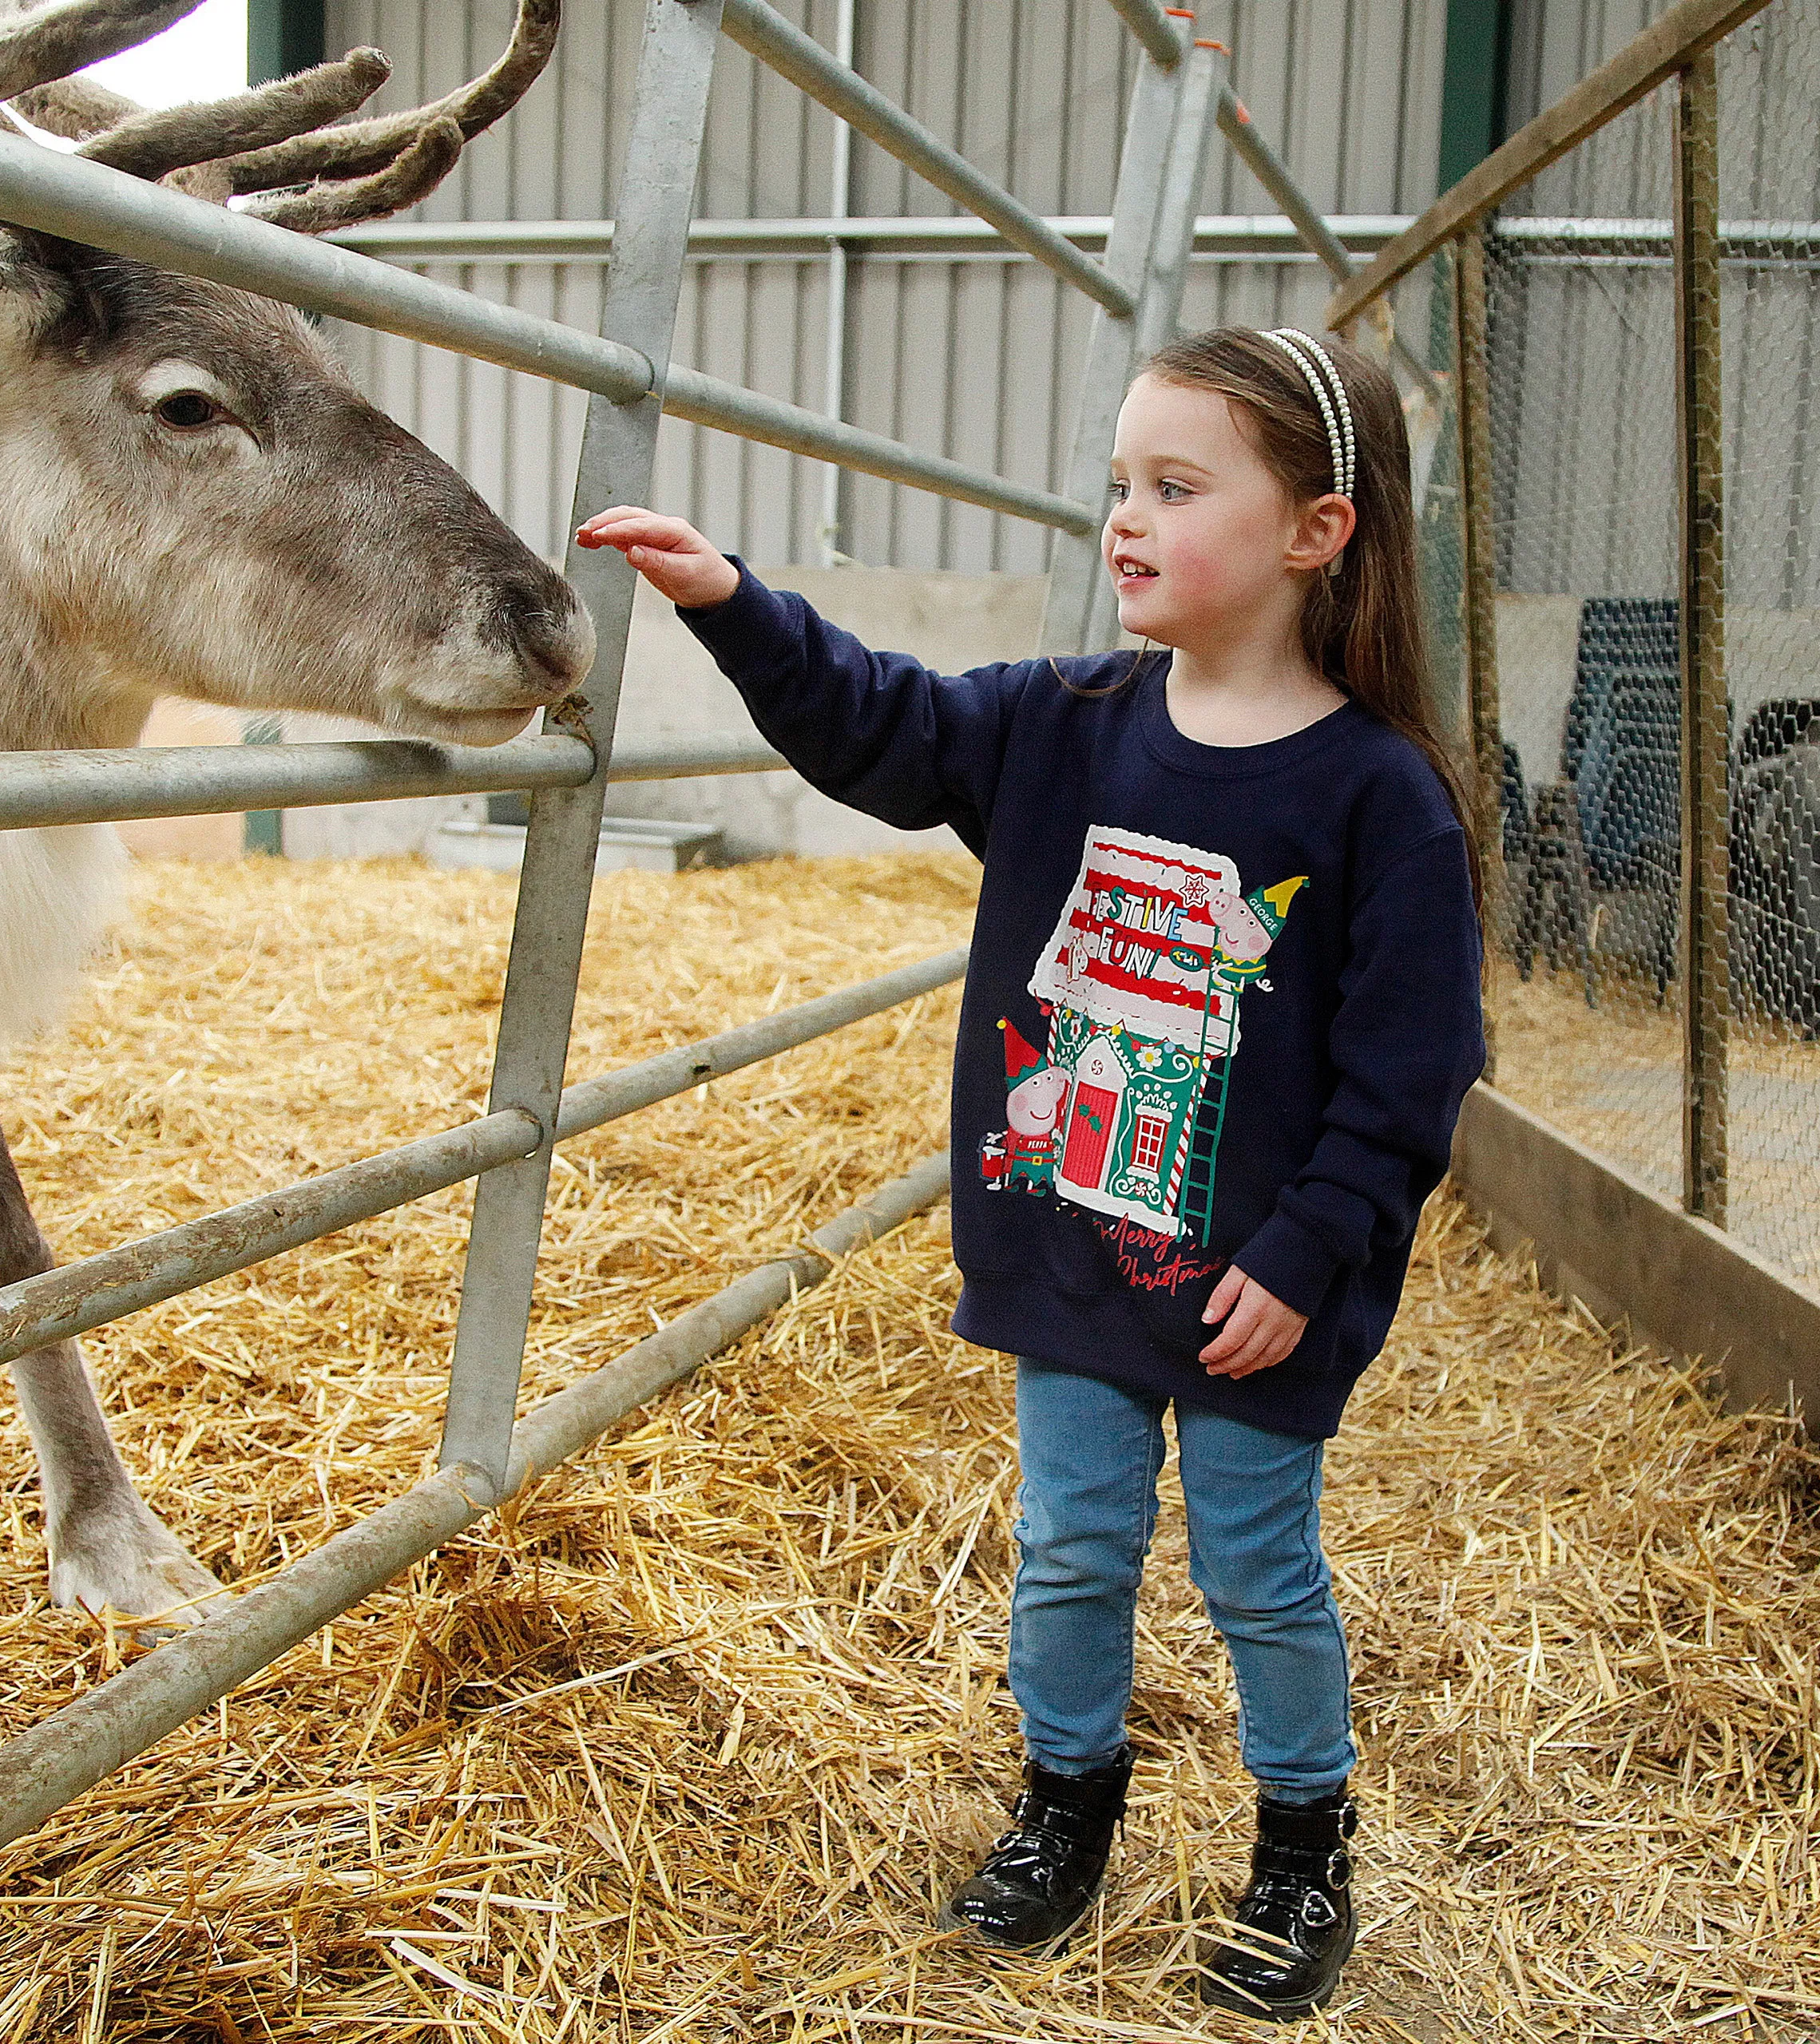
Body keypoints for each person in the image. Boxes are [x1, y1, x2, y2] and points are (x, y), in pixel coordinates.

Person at [577, 327, 1485, 2023]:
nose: (1122, 518)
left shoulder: (1380, 800)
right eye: (1116, 484)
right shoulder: (1058, 727)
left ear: (1314, 532)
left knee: (1250, 1564)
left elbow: (1411, 1070)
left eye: (1173, 485)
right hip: (1078, 1245)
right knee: (1071, 1543)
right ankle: (1064, 1807)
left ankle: (1302, 1847)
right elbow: (878, 725)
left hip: (1251, 1287)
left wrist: (1301, 1249)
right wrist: (729, 599)